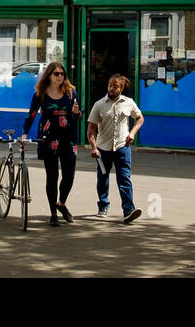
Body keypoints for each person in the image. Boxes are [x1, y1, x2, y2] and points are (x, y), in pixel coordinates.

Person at [22, 61, 81, 226]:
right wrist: (25, 133)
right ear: (49, 75)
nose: (60, 77)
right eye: (56, 73)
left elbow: (79, 114)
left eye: (62, 74)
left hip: (68, 138)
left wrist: (77, 112)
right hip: (49, 138)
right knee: (52, 176)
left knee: (69, 175)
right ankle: (53, 214)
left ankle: (61, 203)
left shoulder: (71, 92)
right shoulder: (40, 93)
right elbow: (32, 114)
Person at [87, 74, 144, 224]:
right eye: (110, 86)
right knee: (103, 178)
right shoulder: (99, 104)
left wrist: (132, 133)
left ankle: (129, 210)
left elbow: (140, 118)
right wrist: (94, 148)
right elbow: (91, 129)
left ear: (122, 88)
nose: (112, 89)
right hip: (103, 149)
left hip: (122, 147)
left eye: (115, 86)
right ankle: (103, 205)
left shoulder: (128, 102)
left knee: (124, 178)